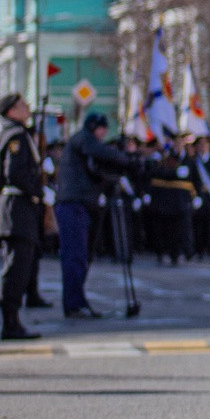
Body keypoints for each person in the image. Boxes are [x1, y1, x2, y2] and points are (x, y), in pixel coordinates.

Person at [55, 111, 133, 319]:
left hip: (82, 203)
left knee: (82, 256)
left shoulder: (84, 146)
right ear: (93, 127)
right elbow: (99, 153)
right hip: (74, 204)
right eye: (101, 129)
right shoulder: (84, 140)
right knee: (75, 256)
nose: (103, 134)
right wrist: (124, 159)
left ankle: (77, 301)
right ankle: (74, 303)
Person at [0, 95, 47, 341]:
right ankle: (9, 322)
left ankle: (13, 320)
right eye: (23, 106)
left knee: (22, 265)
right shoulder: (16, 137)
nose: (27, 109)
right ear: (12, 111)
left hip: (20, 208)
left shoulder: (18, 134)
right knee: (15, 267)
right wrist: (37, 190)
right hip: (16, 208)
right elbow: (13, 173)